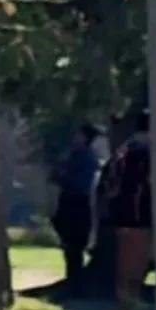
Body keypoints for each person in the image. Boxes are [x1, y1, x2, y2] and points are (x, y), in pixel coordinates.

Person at [106, 112, 153, 310]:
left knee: (125, 269)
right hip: (138, 217)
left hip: (120, 216)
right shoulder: (144, 153)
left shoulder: (124, 150)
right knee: (134, 271)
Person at [51, 124, 101, 296]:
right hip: (70, 204)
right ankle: (73, 282)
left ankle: (75, 285)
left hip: (78, 205)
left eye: (78, 135)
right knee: (70, 248)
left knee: (74, 247)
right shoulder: (73, 156)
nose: (74, 138)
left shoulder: (86, 159)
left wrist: (63, 176)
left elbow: (80, 184)